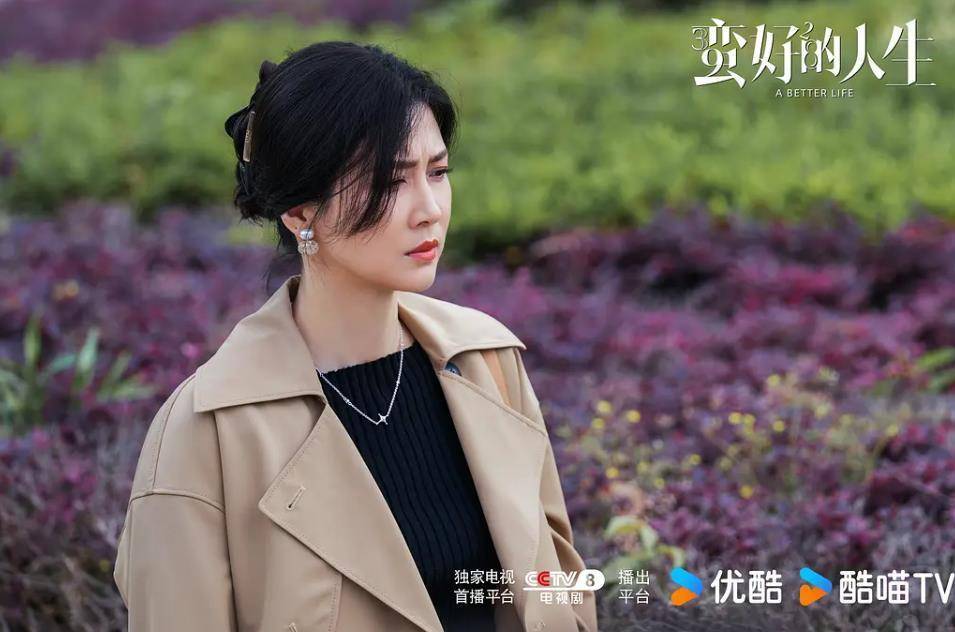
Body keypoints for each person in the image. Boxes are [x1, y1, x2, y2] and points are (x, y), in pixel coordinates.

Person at [112, 41, 598, 632]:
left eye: (438, 172)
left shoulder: (484, 359)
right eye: (390, 181)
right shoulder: (207, 431)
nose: (429, 209)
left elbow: (557, 587)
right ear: (299, 212)